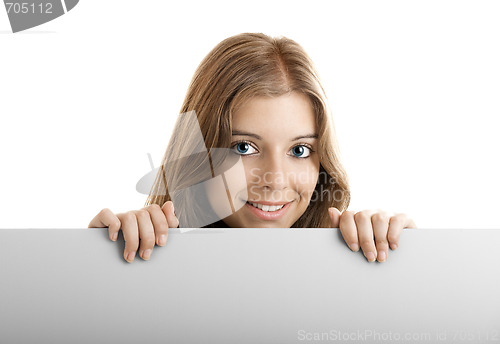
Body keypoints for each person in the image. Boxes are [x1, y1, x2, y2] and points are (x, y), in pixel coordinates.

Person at [88, 32, 417, 264]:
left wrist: (414, 260)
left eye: (300, 150)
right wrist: (91, 263)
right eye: (244, 147)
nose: (274, 180)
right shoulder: (140, 254)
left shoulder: (356, 258)